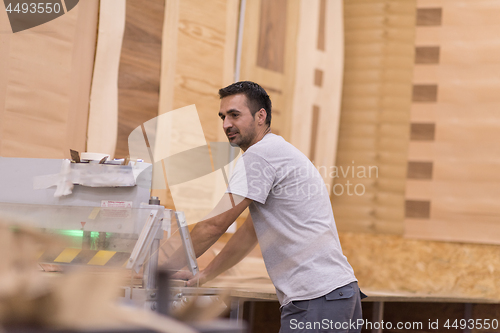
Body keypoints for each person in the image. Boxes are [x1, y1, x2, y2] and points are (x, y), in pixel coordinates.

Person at [168, 81, 363, 333]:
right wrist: (206, 274)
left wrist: (159, 269)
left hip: (317, 298)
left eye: (235, 115)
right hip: (337, 295)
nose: (226, 124)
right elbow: (250, 233)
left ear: (261, 116)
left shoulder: (260, 155)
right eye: (223, 116)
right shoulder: (277, 151)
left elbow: (214, 225)